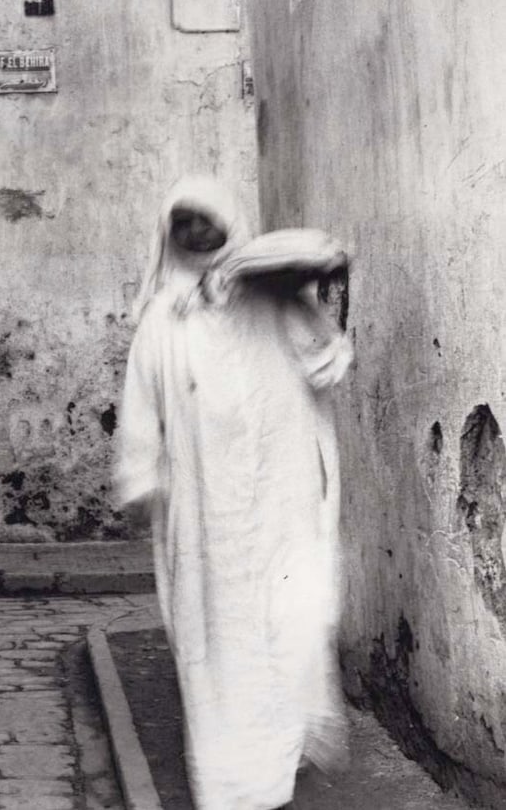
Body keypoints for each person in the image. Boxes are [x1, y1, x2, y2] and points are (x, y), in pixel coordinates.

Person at [115, 176, 352, 810]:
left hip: (282, 496)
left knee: (288, 622)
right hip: (204, 514)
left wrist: (288, 292)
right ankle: (232, 781)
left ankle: (285, 748)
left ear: (230, 223)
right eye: (183, 223)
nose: (197, 233)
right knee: (219, 640)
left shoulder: (272, 298)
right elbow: (141, 413)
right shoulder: (163, 320)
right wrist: (143, 479)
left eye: (207, 220)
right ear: (169, 235)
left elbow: (327, 360)